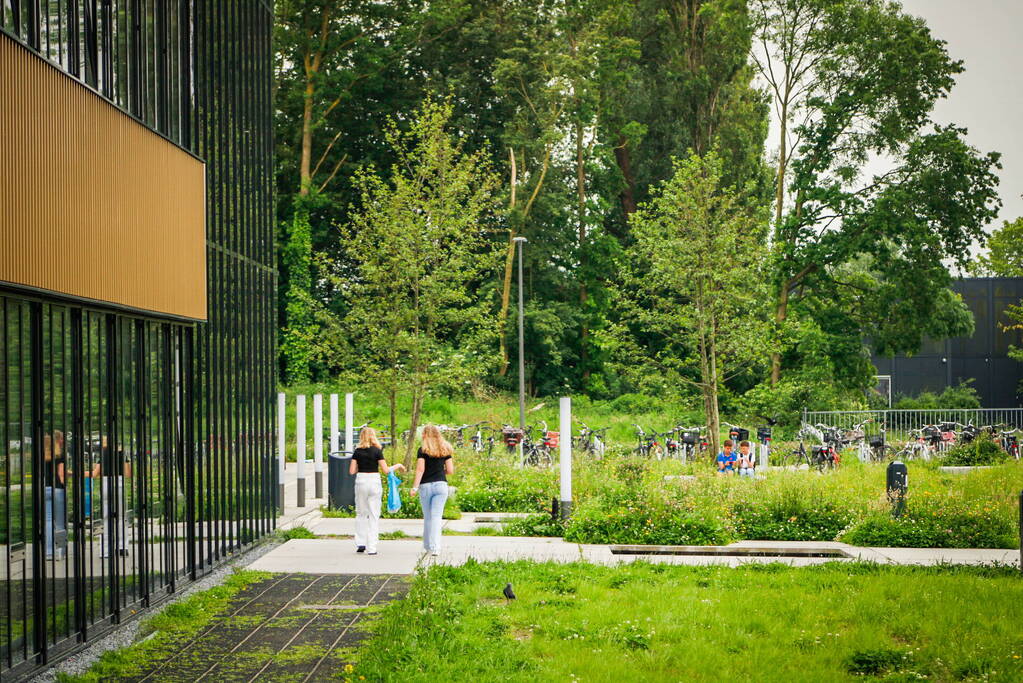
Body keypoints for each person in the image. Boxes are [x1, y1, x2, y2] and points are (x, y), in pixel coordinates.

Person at [349, 427, 406, 555]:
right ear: (373, 436)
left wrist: (361, 466)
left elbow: (352, 471)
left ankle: (360, 543)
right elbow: (386, 470)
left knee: (361, 513)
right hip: (374, 481)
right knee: (374, 515)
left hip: (361, 481)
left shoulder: (357, 452)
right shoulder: (377, 451)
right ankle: (372, 548)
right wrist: (398, 465)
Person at [410, 424, 454, 557]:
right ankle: (435, 548)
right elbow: (451, 471)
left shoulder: (422, 450)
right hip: (441, 485)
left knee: (428, 517)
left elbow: (420, 470)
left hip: (425, 486)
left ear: (424, 435)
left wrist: (414, 487)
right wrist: (440, 472)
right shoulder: (446, 449)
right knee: (436, 517)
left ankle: (427, 546)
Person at [43, 431, 67, 559]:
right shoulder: (59, 455)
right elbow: (61, 475)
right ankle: (60, 551)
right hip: (57, 489)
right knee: (59, 523)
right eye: (62, 438)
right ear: (58, 440)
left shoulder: (42, 456)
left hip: (45, 489)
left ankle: (49, 552)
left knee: (47, 521)